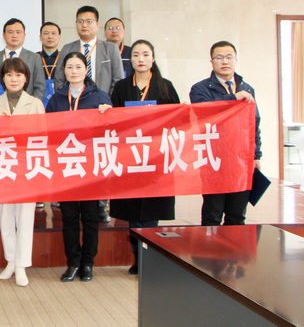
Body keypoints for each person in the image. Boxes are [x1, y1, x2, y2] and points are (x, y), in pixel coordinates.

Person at [109, 40, 179, 274]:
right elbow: (114, 121)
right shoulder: (121, 87)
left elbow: (176, 120)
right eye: (136, 54)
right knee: (132, 213)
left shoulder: (165, 86)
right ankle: (137, 259)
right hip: (130, 157)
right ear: (131, 60)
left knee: (151, 212)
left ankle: (150, 260)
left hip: (156, 158)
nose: (140, 59)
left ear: (153, 58)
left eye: (145, 54)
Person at [46, 51, 112, 282]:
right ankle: (73, 263)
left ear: (86, 70)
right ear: (63, 71)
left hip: (90, 167)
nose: (74, 71)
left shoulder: (99, 96)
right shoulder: (56, 99)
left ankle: (88, 263)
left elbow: (112, 130)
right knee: (70, 217)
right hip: (66, 165)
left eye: (78, 67)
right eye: (69, 67)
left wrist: (107, 114)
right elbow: (48, 132)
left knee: (91, 217)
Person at [55, 6, 123, 223]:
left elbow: (117, 80)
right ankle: (69, 199)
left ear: (97, 24)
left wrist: (104, 103)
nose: (84, 25)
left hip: (100, 113)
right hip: (72, 115)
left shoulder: (110, 49)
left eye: (89, 21)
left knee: (97, 160)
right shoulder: (67, 48)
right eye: (80, 21)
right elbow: (59, 80)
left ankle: (100, 205)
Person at [0, 57, 45, 287]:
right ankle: (10, 260)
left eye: (18, 75)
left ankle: (22, 265)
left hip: (26, 167)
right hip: (2, 167)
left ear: (26, 78)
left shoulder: (35, 104)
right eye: (9, 75)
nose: (14, 79)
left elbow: (42, 138)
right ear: (3, 79)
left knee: (25, 217)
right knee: (5, 216)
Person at [190, 40, 261, 226]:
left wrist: (256, 155)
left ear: (236, 60)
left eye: (229, 57)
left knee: (237, 215)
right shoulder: (200, 89)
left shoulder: (247, 88)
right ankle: (209, 246)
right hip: (214, 159)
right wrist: (233, 98)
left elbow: (254, 123)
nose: (225, 62)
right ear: (211, 61)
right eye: (219, 58)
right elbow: (205, 111)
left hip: (241, 160)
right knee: (213, 213)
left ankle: (234, 246)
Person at [0, 18, 45, 104]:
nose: (14, 35)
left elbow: (40, 87)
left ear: (24, 35)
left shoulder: (34, 58)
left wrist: (31, 106)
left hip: (27, 108)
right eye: (10, 32)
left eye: (18, 32)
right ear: (4, 35)